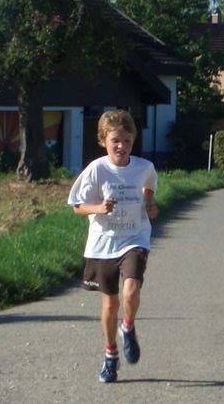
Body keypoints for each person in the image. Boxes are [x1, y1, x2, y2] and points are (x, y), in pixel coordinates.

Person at [68, 109, 159, 383]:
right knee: (110, 305)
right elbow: (77, 206)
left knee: (131, 290)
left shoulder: (144, 167)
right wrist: (98, 208)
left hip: (134, 238)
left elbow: (149, 191)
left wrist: (150, 204)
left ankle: (128, 327)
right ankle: (110, 356)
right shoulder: (97, 169)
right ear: (103, 141)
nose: (121, 146)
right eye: (115, 140)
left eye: (127, 140)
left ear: (133, 141)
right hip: (103, 243)